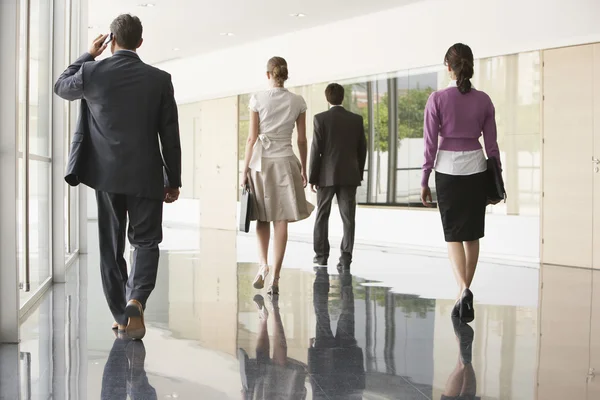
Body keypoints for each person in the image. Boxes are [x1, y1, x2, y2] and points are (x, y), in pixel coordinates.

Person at [54, 14, 181, 340]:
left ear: (111, 40)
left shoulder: (93, 72)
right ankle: (136, 298)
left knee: (111, 247)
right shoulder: (159, 79)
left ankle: (120, 314)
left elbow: (60, 86)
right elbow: (170, 134)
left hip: (106, 176)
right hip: (147, 176)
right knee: (146, 241)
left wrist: (89, 54)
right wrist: (174, 179)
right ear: (140, 42)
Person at [420, 43, 501, 323]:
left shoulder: (437, 99)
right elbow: (492, 145)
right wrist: (498, 177)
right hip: (476, 168)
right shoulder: (484, 100)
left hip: (448, 169)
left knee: (453, 234)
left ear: (449, 67)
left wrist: (424, 178)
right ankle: (463, 292)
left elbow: (430, 144)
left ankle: (463, 289)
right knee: (472, 234)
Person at [241, 56, 314, 296]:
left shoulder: (258, 99)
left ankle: (263, 265)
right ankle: (276, 278)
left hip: (261, 164)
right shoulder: (298, 101)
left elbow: (252, 138)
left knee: (262, 216)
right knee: (280, 219)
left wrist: (244, 170)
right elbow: (302, 140)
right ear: (285, 74)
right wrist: (304, 168)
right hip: (285, 162)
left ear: (268, 75)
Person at [309, 84, 367, 272]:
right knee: (348, 218)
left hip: (326, 176)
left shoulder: (320, 119)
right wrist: (358, 172)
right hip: (350, 176)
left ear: (327, 98)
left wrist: (312, 177)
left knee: (321, 216)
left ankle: (321, 256)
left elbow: (316, 149)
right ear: (343, 97)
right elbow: (362, 150)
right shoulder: (356, 120)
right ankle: (346, 257)